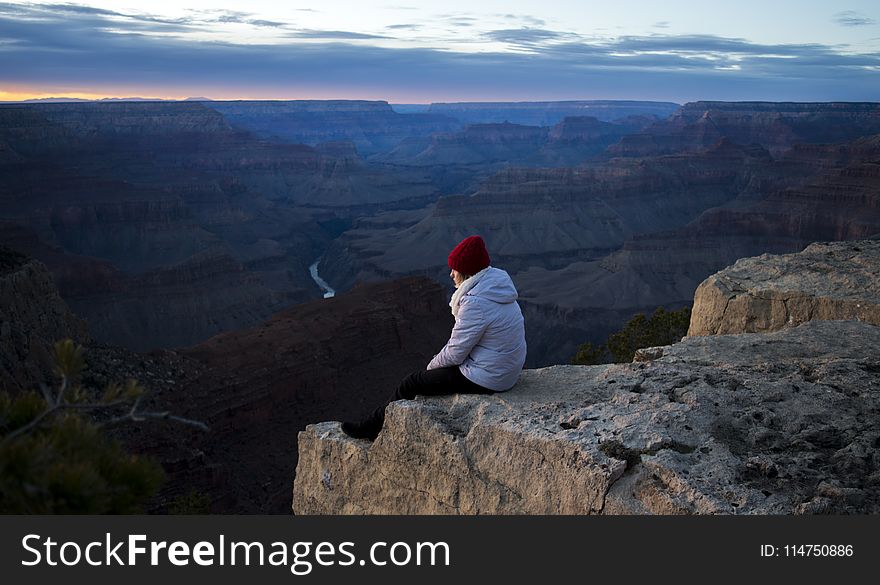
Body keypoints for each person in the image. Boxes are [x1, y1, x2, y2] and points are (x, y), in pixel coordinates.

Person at [341, 235, 527, 441]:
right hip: (506, 369)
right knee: (431, 373)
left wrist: (431, 369)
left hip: (490, 377)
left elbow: (455, 352)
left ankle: (370, 427)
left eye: (455, 269)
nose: (451, 274)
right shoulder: (496, 289)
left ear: (466, 273)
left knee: (411, 383)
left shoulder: (476, 304)